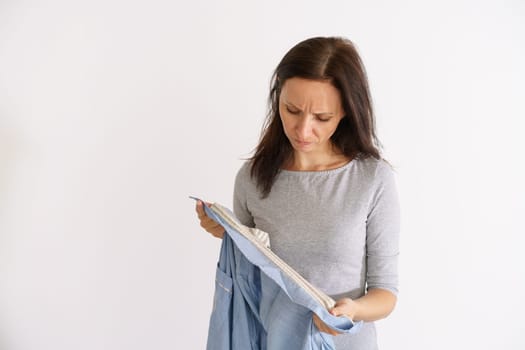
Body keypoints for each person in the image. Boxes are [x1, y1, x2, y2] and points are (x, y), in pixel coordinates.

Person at [195, 36, 400, 349]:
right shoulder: (253, 178)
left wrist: (353, 310)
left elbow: (386, 293)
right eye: (291, 110)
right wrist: (228, 234)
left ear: (346, 110)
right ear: (278, 98)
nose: (303, 130)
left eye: (322, 118)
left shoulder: (372, 179)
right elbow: (253, 279)